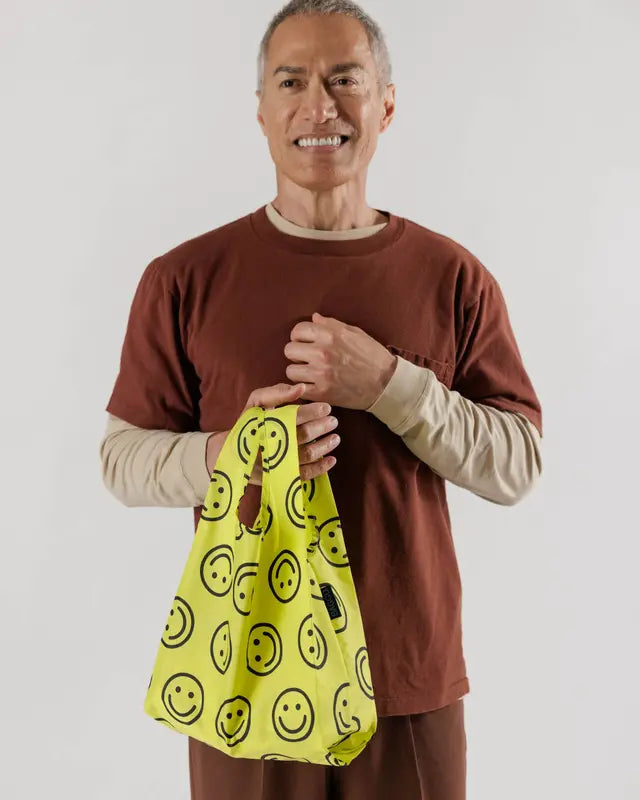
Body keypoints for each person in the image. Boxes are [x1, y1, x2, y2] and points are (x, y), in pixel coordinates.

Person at [100, 1, 543, 798]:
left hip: (406, 681)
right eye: (293, 81)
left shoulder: (452, 276)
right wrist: (233, 455)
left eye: (345, 79)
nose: (320, 106)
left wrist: (391, 386)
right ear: (262, 112)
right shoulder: (184, 278)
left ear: (386, 104)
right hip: (242, 670)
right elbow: (121, 459)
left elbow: (517, 464)